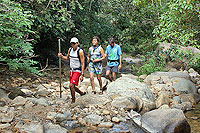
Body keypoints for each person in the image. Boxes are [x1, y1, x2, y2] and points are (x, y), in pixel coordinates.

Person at [58, 37, 86, 103]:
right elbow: (67, 58)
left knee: (71, 85)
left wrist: (82, 74)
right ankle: (81, 93)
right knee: (72, 86)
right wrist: (61, 56)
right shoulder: (70, 50)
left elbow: (83, 63)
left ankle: (73, 100)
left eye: (74, 43)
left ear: (77, 43)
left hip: (77, 70)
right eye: (72, 43)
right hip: (71, 70)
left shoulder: (80, 51)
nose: (73, 45)